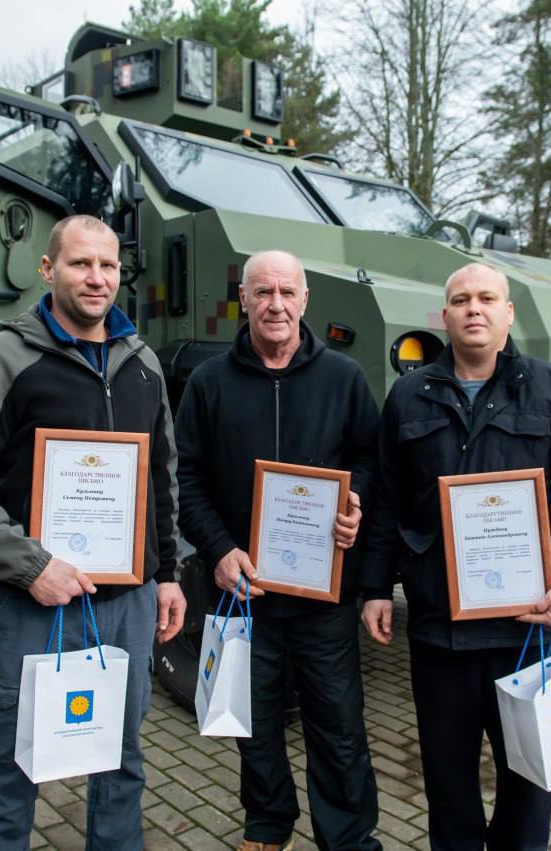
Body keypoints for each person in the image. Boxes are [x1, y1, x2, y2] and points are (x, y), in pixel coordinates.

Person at [0, 214, 186, 851]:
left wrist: (167, 576)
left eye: (108, 265)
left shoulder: (144, 365)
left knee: (121, 759)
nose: (96, 278)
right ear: (48, 270)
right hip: (33, 602)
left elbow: (162, 478)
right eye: (80, 263)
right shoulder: (4, 359)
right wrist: (28, 565)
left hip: (125, 604)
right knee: (17, 760)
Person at [359, 263, 551, 851]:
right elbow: (388, 502)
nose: (473, 309)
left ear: (508, 313)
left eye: (486, 298)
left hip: (526, 629)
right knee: (447, 785)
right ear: (443, 316)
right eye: (460, 300)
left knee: (528, 782)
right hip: (439, 629)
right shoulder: (408, 394)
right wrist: (374, 587)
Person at [175, 250, 383, 851]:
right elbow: (185, 475)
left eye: (287, 292)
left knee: (338, 724)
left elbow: (370, 460)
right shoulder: (210, 382)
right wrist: (216, 549)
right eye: (263, 292)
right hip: (242, 589)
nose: (276, 304)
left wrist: (356, 505)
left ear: (306, 300)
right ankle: (267, 825)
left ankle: (346, 836)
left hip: (323, 594)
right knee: (254, 719)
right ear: (243, 299)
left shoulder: (343, 378)